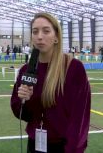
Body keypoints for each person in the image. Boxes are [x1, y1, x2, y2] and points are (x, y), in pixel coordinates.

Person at [10, 13, 91, 153]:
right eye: (35, 32)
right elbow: (22, 114)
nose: (39, 36)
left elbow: (80, 118)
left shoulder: (73, 68)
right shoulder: (26, 70)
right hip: (35, 144)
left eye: (46, 31)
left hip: (63, 147)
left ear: (56, 37)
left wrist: (73, 150)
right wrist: (24, 101)